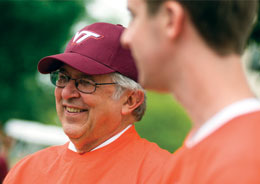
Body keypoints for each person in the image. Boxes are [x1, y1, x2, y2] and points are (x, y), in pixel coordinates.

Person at [4, 22, 171, 184]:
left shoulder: (164, 175)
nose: (66, 93)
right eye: (63, 78)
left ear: (130, 100)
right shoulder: (26, 171)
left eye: (85, 82)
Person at [121, 0, 260, 183]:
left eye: (134, 16)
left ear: (170, 19)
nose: (126, 39)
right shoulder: (200, 152)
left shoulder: (241, 163)